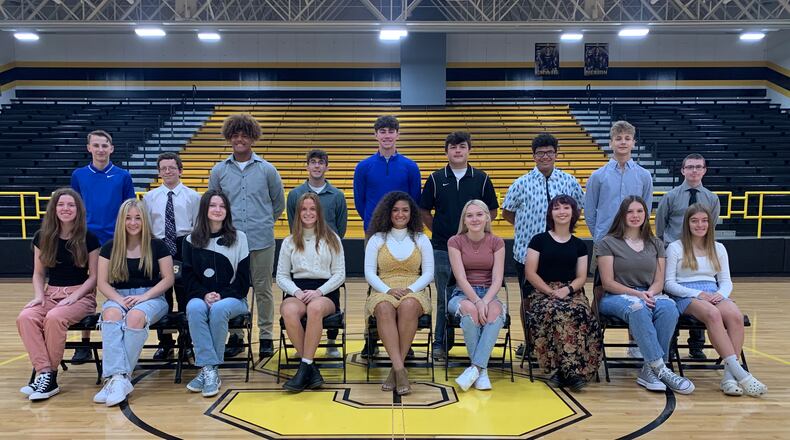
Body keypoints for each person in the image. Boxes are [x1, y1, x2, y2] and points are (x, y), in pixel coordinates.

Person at [664, 204, 766, 397]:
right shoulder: (675, 247)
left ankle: (729, 376)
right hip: (685, 295)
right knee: (713, 313)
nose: (700, 225)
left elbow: (726, 281)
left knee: (735, 315)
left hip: (713, 292)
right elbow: (668, 284)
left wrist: (722, 294)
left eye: (704, 221)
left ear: (710, 224)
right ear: (687, 223)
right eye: (694, 221)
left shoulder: (718, 248)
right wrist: (697, 294)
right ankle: (742, 374)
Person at [596, 196, 694, 395]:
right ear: (622, 215)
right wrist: (637, 295)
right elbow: (607, 282)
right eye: (630, 211)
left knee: (669, 308)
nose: (635, 216)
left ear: (645, 214)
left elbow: (659, 280)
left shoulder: (655, 243)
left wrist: (649, 293)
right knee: (638, 308)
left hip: (648, 293)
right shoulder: (607, 242)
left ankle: (648, 371)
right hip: (615, 296)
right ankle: (661, 368)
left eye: (639, 211)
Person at [209, 113, 285, 360]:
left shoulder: (268, 170)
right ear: (229, 138)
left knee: (263, 289)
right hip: (229, 242)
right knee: (231, 289)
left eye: (244, 135)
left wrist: (262, 222)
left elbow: (278, 203)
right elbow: (214, 204)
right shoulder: (219, 170)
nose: (240, 139)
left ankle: (265, 337)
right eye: (235, 135)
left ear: (252, 138)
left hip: (261, 240)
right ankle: (236, 336)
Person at [501, 133, 583, 356]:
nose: (545, 156)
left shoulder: (569, 181)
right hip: (527, 253)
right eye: (540, 153)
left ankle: (557, 343)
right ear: (534, 156)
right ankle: (530, 343)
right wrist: (526, 226)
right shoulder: (521, 183)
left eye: (549, 152)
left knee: (561, 299)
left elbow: (578, 208)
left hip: (562, 253)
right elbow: (507, 211)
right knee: (528, 299)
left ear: (556, 154)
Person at [419, 131, 498, 362]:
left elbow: (491, 210)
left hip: (475, 249)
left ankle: (480, 342)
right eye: (453, 147)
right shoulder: (435, 178)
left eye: (462, 146)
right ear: (446, 151)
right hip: (443, 247)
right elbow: (424, 210)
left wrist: (474, 233)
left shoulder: (482, 178)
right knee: (445, 297)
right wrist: (441, 231)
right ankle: (441, 343)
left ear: (469, 150)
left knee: (477, 293)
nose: (457, 151)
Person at [17, 188, 100, 401]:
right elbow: (38, 273)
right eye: (61, 204)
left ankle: (50, 377)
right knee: (25, 317)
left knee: (55, 318)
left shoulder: (89, 238)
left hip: (81, 296)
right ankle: (43, 372)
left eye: (70, 205)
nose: (65, 209)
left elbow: (94, 276)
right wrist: (39, 296)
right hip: (50, 293)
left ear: (78, 209)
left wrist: (76, 296)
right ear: (54, 209)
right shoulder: (42, 237)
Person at [94, 199, 173, 407]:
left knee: (135, 316)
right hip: (119, 295)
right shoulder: (109, 247)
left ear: (144, 220)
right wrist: (119, 300)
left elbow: (168, 279)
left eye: (138, 218)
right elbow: (102, 282)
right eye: (128, 218)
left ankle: (116, 378)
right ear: (122, 220)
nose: (133, 222)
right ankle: (118, 379)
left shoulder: (157, 245)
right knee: (111, 315)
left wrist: (143, 298)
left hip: (152, 296)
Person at [584, 121, 653, 359]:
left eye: (627, 138)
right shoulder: (598, 176)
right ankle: (594, 343)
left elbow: (646, 207)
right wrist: (602, 238)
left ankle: (634, 343)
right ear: (611, 142)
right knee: (601, 291)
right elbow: (590, 212)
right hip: (606, 244)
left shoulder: (644, 175)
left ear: (634, 142)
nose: (623, 142)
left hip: (635, 243)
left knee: (635, 288)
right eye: (618, 138)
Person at [354, 115, 421, 357]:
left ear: (397, 134)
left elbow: (414, 201)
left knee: (406, 283)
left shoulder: (410, 166)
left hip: (405, 233)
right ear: (376, 135)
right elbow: (360, 202)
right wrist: (377, 224)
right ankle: (370, 338)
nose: (387, 135)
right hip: (374, 234)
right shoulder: (363, 167)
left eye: (391, 131)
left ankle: (406, 341)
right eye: (382, 131)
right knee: (374, 287)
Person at [70, 129, 135, 364]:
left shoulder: (122, 176)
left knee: (116, 288)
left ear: (111, 148)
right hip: (85, 241)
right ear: (89, 148)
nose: (100, 149)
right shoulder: (78, 175)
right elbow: (74, 208)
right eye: (96, 145)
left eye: (104, 145)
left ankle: (121, 336)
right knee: (86, 289)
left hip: (114, 242)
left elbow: (130, 208)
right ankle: (84, 343)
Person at [524, 195, 601, 392]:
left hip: (572, 291)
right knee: (555, 312)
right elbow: (530, 273)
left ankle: (562, 372)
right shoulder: (538, 240)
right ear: (550, 213)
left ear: (573, 213)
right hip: (542, 291)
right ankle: (570, 371)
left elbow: (582, 276)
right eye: (557, 208)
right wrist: (551, 292)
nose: (562, 212)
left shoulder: (579, 245)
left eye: (566, 208)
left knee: (580, 313)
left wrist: (566, 290)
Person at [364, 191, 433, 396]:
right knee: (384, 308)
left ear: (411, 213)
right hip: (383, 288)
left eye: (405, 210)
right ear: (388, 213)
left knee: (408, 305)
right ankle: (400, 370)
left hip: (414, 288)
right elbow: (369, 272)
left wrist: (411, 289)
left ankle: (396, 369)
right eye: (395, 210)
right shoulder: (377, 238)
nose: (400, 214)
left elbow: (429, 272)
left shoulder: (421, 238)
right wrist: (387, 290)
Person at [183, 190, 251, 398]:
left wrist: (220, 295)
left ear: (227, 211)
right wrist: (204, 295)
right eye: (213, 205)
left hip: (233, 298)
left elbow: (242, 280)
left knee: (219, 309)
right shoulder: (190, 240)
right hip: (201, 297)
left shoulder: (240, 238)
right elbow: (188, 278)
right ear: (205, 209)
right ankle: (210, 370)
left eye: (222, 206)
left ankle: (208, 369)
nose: (218, 210)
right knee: (193, 308)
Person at [277, 193, 346, 392]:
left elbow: (339, 274)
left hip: (325, 292)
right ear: (298, 213)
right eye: (304, 209)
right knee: (288, 311)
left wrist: (319, 291)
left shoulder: (332, 239)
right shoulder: (289, 242)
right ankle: (310, 368)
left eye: (312, 209)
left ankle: (303, 369)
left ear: (319, 212)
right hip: (298, 290)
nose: (308, 213)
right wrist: (296, 292)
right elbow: (281, 276)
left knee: (315, 308)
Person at [656, 153, 721, 360]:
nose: (694, 171)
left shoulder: (711, 198)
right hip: (674, 253)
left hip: (699, 253)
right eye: (690, 167)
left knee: (701, 290)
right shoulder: (671, 196)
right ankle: (671, 342)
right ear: (683, 170)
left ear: (704, 170)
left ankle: (696, 345)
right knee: (673, 295)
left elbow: (712, 226)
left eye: (698, 167)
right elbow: (660, 225)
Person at [286, 149, 347, 357]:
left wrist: (326, 241)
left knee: (318, 306)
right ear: (307, 166)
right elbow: (293, 223)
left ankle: (329, 340)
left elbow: (341, 225)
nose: (317, 166)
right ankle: (306, 355)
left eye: (321, 163)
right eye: (313, 162)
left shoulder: (337, 195)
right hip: (303, 252)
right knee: (295, 308)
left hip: (327, 254)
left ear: (327, 167)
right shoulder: (295, 195)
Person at [143, 152, 200, 360]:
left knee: (186, 296)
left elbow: (196, 226)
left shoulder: (193, 196)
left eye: (172, 167)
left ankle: (187, 341)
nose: (168, 171)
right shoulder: (150, 198)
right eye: (163, 168)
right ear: (159, 172)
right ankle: (165, 343)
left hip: (184, 244)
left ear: (180, 170)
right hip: (159, 246)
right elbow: (147, 227)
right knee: (162, 297)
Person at [446, 200, 505, 391]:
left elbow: (497, 279)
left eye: (479, 214)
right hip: (462, 294)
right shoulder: (455, 241)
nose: (475, 219)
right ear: (464, 219)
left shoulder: (497, 242)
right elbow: (460, 278)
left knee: (494, 313)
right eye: (469, 215)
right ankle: (482, 371)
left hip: (489, 293)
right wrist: (478, 302)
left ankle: (476, 369)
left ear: (487, 217)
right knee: (470, 311)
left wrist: (485, 301)